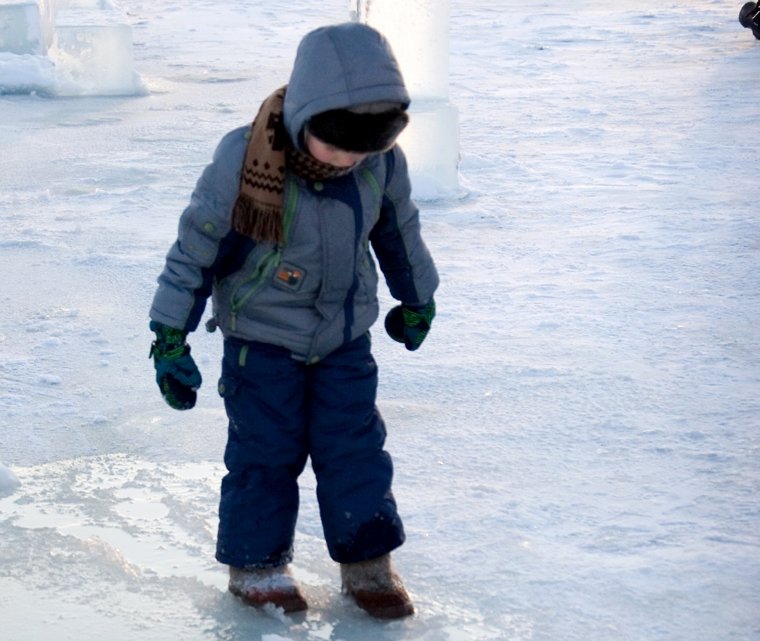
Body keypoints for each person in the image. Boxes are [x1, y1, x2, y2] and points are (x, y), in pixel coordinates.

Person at [148, 22, 438, 620]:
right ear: (307, 116)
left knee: (355, 447)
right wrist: (170, 333)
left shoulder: (381, 165)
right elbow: (196, 246)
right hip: (262, 340)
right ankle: (257, 568)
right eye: (338, 145)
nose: (351, 159)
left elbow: (398, 230)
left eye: (367, 146)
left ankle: (367, 564)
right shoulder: (244, 158)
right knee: (265, 452)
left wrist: (417, 296)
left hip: (343, 336)